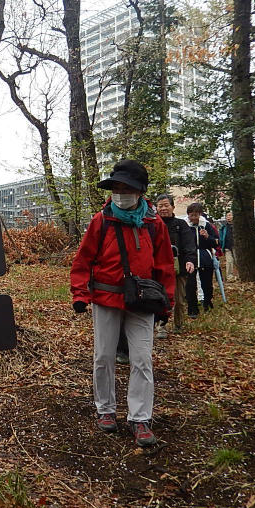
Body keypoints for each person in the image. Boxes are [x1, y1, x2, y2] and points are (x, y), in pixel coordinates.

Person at [70, 160, 175, 447]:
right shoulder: (101, 220)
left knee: (142, 359)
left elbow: (164, 265)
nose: (120, 194)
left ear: (140, 191)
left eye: (126, 188)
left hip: (143, 301)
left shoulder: (154, 224)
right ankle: (105, 409)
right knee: (104, 356)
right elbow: (83, 260)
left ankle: (140, 418)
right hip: (105, 298)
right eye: (116, 188)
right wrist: (80, 295)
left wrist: (166, 303)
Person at [155, 194, 196, 336]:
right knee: (160, 298)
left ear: (173, 207)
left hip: (179, 267)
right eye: (160, 206)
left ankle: (179, 324)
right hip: (158, 268)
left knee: (179, 299)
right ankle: (161, 326)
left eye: (166, 205)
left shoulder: (181, 225)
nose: (163, 208)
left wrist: (190, 260)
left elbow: (189, 244)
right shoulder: (153, 224)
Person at [186, 202, 219, 317]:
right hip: (190, 258)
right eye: (191, 215)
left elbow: (216, 242)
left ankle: (207, 302)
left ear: (200, 214)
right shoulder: (185, 225)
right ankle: (192, 308)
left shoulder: (207, 225)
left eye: (196, 215)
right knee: (190, 284)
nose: (193, 218)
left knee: (207, 283)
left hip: (205, 257)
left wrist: (207, 237)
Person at [220, 211, 237, 281]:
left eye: (230, 215)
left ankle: (241, 276)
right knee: (229, 262)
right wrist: (221, 246)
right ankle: (230, 277)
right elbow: (221, 238)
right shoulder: (223, 227)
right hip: (227, 247)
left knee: (238, 262)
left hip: (237, 248)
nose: (228, 217)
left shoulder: (237, 226)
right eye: (227, 216)